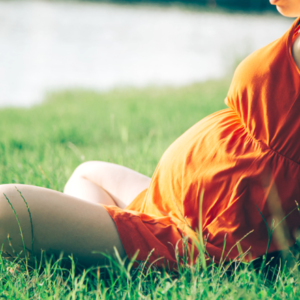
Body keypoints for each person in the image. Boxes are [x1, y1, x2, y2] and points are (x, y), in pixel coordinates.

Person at [1, 0, 300, 269]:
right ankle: (107, 242)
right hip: (174, 205)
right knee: (87, 174)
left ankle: (125, 248)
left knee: (6, 205)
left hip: (196, 235)